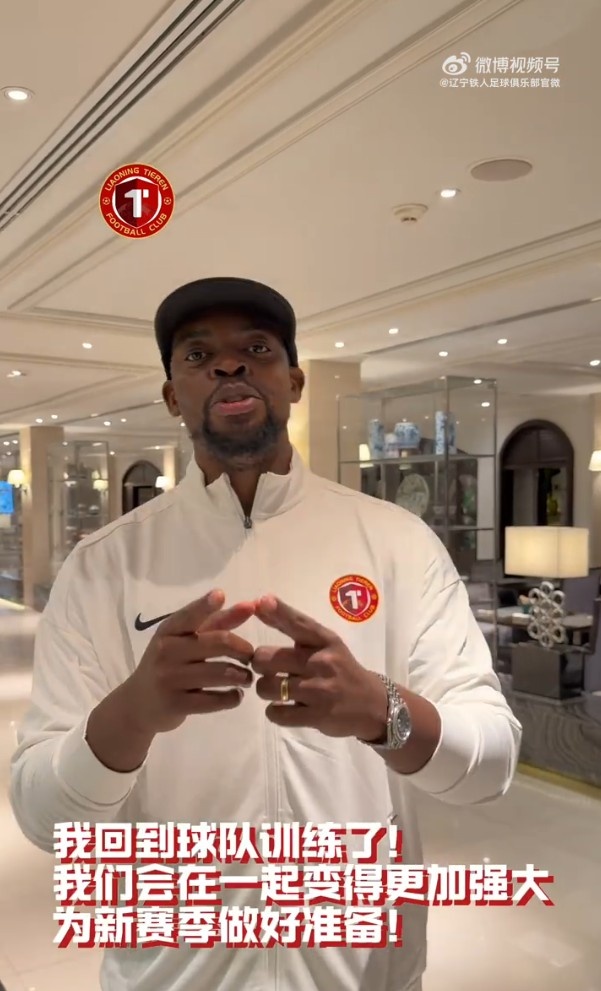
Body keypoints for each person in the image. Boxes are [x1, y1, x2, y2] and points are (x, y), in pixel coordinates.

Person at [10, 277, 522, 991]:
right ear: (171, 396)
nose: (229, 365)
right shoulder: (103, 566)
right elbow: (45, 818)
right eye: (199, 355)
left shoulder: (397, 543)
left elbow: (492, 766)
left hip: (363, 969)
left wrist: (382, 711)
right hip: (169, 973)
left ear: (295, 381)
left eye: (256, 349)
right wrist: (133, 711)